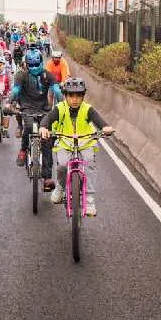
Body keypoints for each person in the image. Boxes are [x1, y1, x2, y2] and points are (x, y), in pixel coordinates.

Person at [39, 77, 113, 217]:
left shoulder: (87, 109)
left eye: (78, 96)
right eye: (71, 95)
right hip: (65, 142)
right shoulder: (60, 108)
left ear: (83, 96)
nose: (75, 99)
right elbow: (48, 119)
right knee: (62, 165)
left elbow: (98, 119)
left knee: (90, 163)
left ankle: (89, 199)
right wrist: (43, 127)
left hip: (85, 142)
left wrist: (106, 127)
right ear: (65, 96)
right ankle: (61, 187)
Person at [6, 49, 62, 190]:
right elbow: (16, 90)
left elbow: (56, 90)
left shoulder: (48, 75)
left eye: (36, 64)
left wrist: (62, 104)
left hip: (44, 110)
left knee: (47, 140)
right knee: (29, 128)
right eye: (31, 65)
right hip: (27, 109)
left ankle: (47, 177)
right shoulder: (22, 76)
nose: (34, 67)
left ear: (40, 62)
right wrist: (9, 101)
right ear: (27, 64)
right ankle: (23, 150)